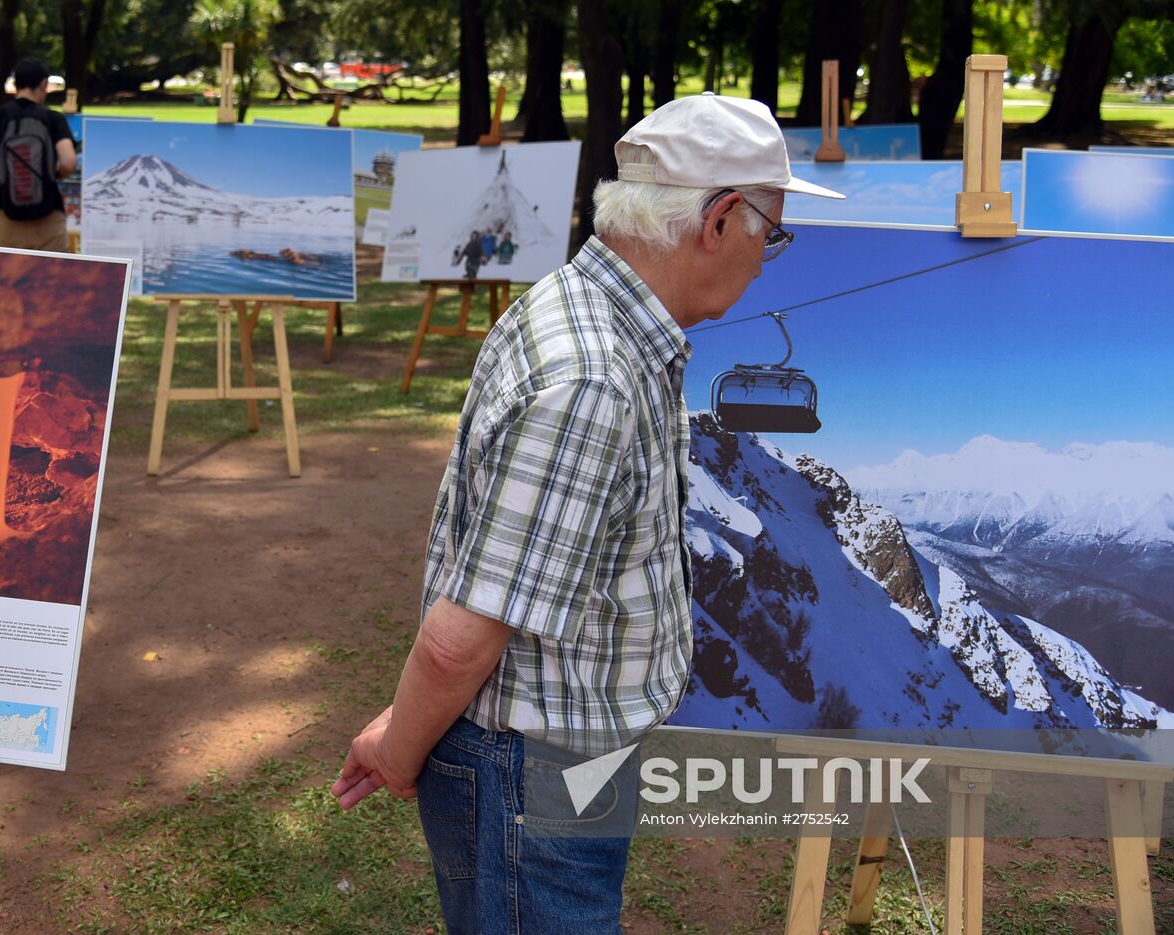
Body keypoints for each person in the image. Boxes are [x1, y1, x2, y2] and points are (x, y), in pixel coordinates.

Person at [331, 92, 843, 934]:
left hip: (550, 761)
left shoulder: (576, 305)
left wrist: (409, 720)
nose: (765, 258)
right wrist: (400, 745)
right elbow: (461, 637)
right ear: (718, 221)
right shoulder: (594, 380)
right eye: (770, 234)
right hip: (534, 777)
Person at [0, 59, 76, 252]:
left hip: (7, 217)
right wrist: (51, 173)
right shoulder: (53, 119)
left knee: (5, 279)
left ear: (15, 85)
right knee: (54, 279)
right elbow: (69, 163)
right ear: (43, 84)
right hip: (49, 217)